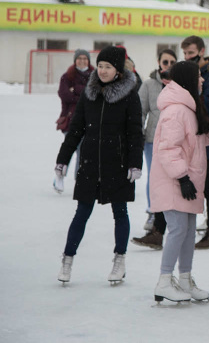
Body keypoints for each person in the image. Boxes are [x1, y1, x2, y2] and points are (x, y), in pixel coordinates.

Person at [55, 46, 143, 285]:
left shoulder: (130, 95)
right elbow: (75, 130)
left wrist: (135, 164)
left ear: (118, 70)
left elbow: (136, 133)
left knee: (120, 213)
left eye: (108, 67)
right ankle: (67, 259)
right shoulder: (89, 94)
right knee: (82, 213)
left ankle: (119, 259)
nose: (103, 71)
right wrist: (63, 159)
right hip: (90, 163)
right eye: (101, 66)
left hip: (118, 163)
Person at [149, 61, 209, 303]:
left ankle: (186, 280)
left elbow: (194, 143)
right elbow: (168, 149)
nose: (202, 80)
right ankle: (164, 281)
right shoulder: (176, 110)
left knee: (188, 232)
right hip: (174, 180)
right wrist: (182, 177)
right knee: (178, 229)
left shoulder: (188, 107)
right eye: (198, 76)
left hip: (186, 180)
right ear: (189, 79)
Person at [180, 35, 209, 249]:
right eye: (185, 53)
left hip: (208, 140)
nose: (188, 57)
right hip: (194, 139)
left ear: (201, 50)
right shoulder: (194, 73)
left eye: (191, 52)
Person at [134, 49, 177, 234]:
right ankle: (153, 212)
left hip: (174, 140)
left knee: (172, 178)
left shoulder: (179, 85)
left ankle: (170, 215)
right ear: (158, 62)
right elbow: (141, 111)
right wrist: (140, 134)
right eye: (165, 62)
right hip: (153, 140)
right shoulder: (149, 85)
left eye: (172, 62)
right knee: (155, 178)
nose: (168, 66)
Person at [55, 48, 94, 186]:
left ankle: (80, 179)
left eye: (85, 59)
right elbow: (65, 95)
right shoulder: (67, 76)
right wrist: (82, 95)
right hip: (70, 119)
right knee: (69, 147)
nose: (82, 61)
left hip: (88, 119)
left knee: (83, 151)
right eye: (79, 58)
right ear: (75, 60)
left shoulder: (94, 75)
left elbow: (93, 96)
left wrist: (76, 91)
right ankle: (60, 175)